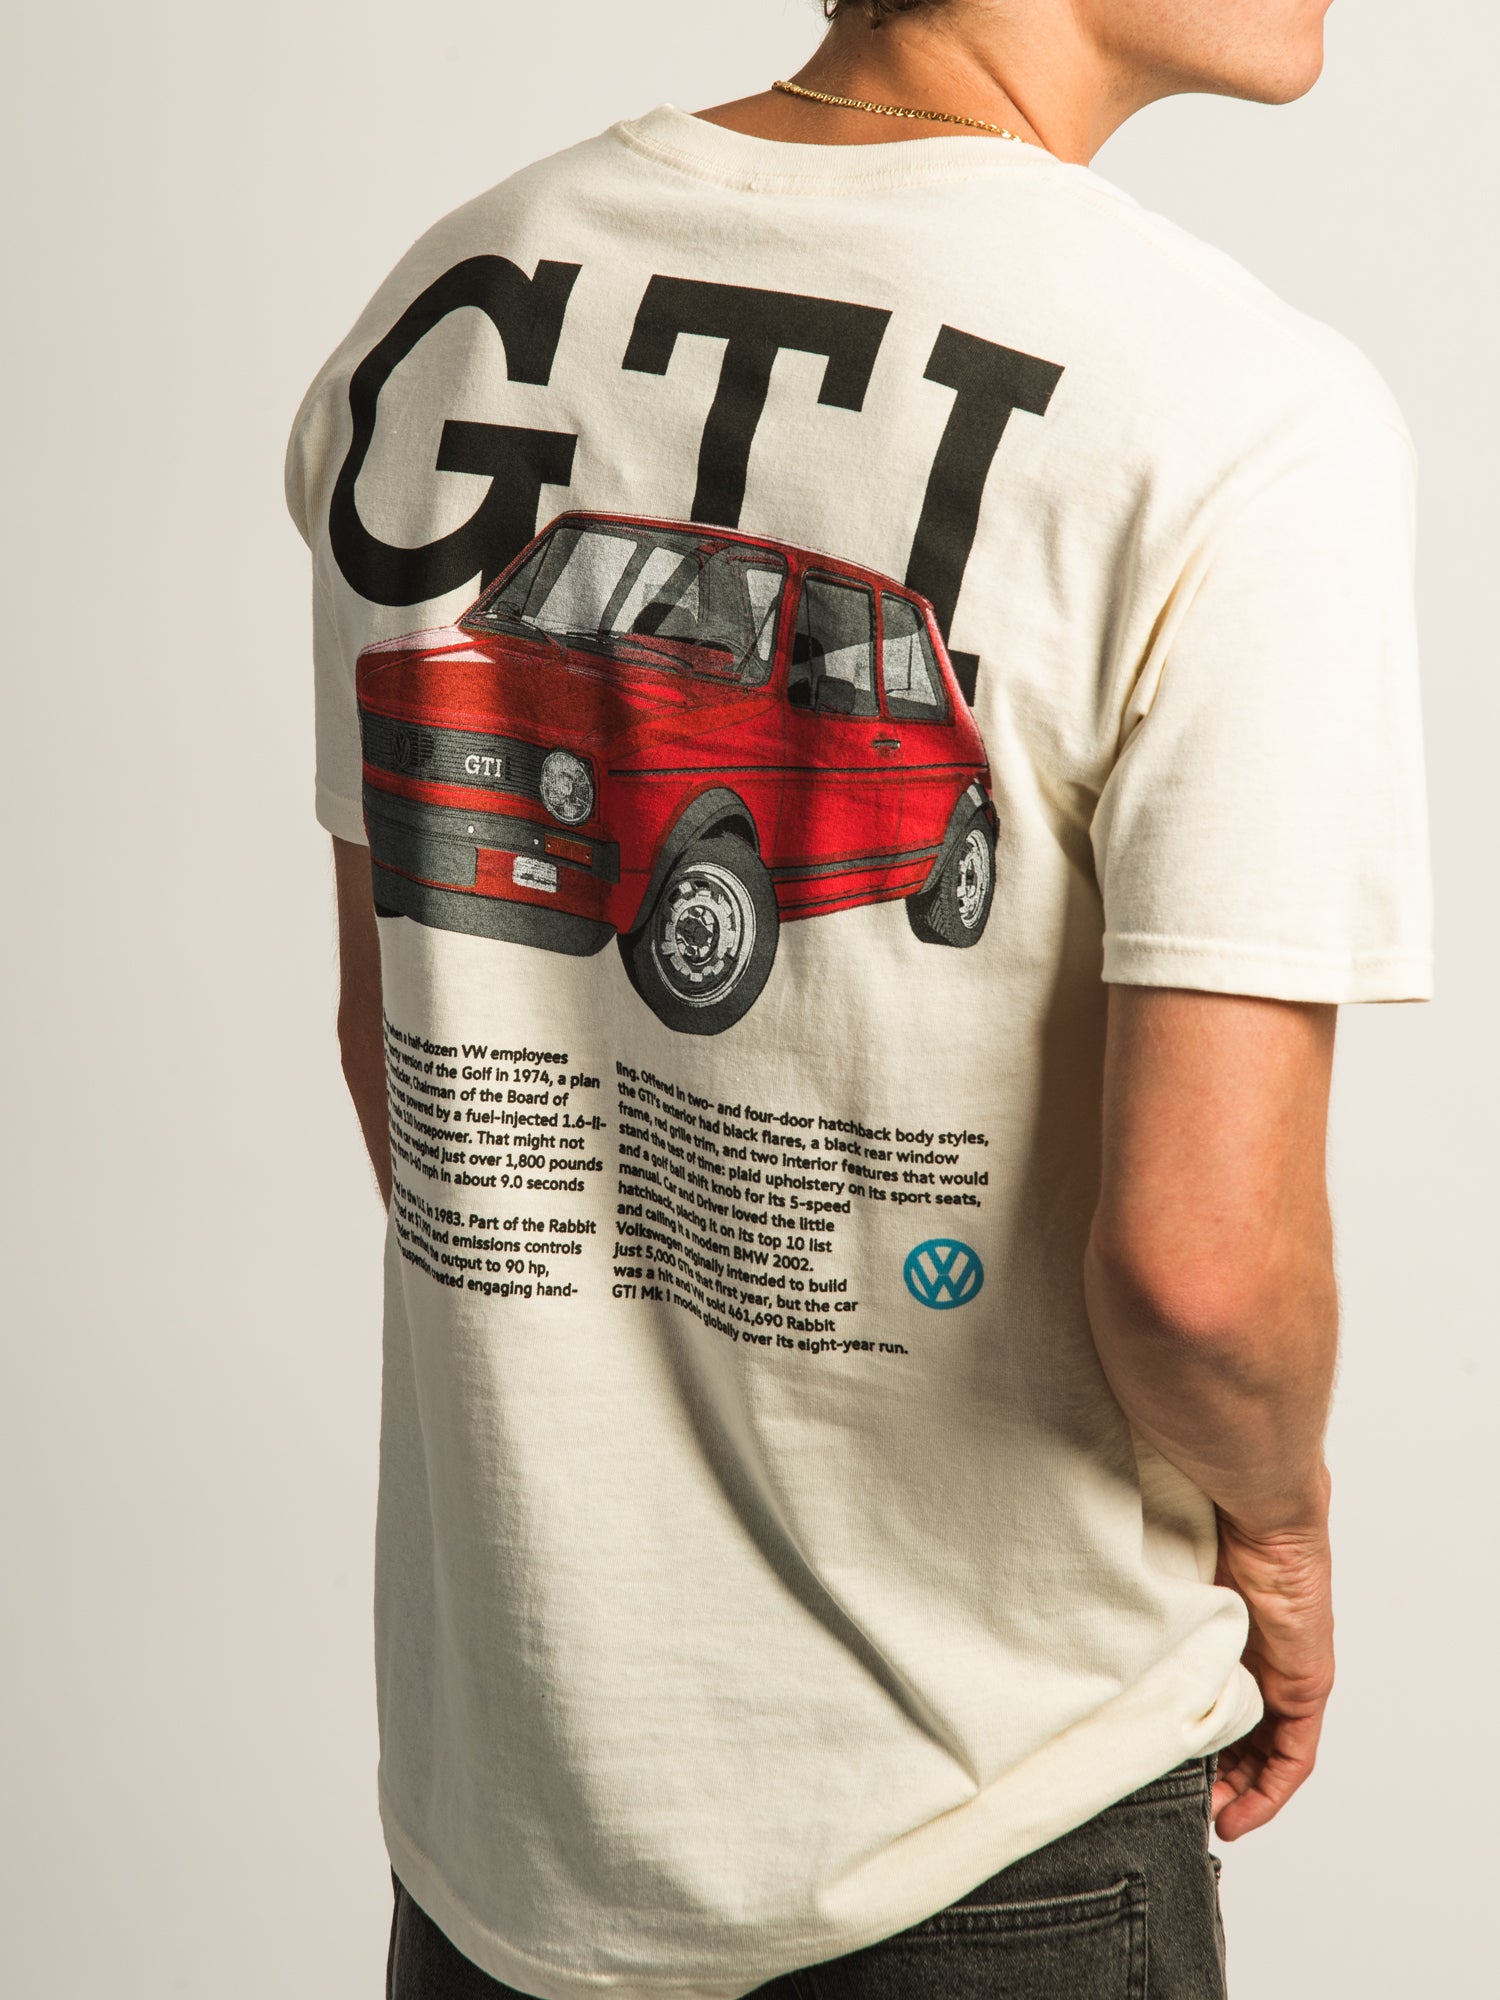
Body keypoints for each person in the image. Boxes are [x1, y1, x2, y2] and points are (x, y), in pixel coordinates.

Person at [284, 0, 1432, 1993]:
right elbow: (1202, 1273)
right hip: (982, 1817)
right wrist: (1279, 1525)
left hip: (505, 1844)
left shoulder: (456, 305)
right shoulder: (1240, 411)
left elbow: (412, 1055)